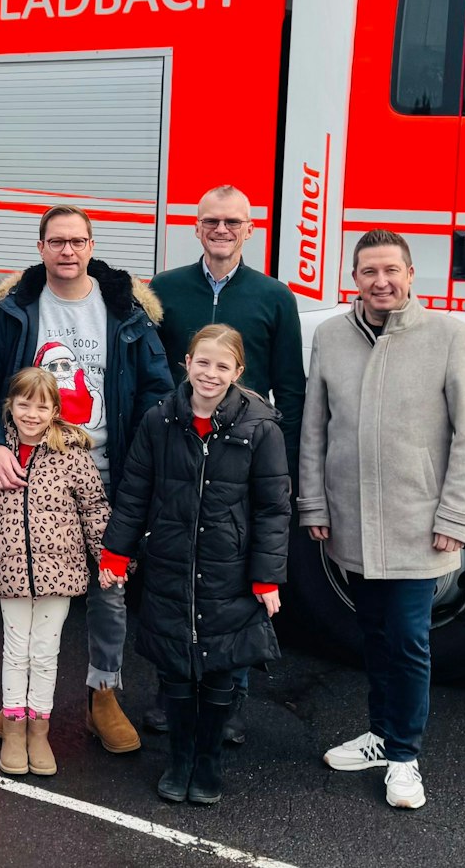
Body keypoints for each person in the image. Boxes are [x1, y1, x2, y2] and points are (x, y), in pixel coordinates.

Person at [297, 230, 465, 811]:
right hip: (351, 520)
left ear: (410, 275)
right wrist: (314, 503)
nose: (381, 282)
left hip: (417, 521)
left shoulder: (451, 337)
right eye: (368, 272)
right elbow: (314, 428)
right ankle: (381, 735)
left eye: (391, 270)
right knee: (374, 634)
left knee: (407, 640)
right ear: (354, 278)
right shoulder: (331, 337)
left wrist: (456, 515)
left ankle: (404, 756)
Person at [0, 205, 171, 754]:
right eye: (57, 241)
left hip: (108, 470)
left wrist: (144, 461)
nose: (68, 251)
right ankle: (18, 701)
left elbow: (157, 386)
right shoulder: (14, 311)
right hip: (30, 471)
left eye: (78, 241)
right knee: (30, 589)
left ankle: (102, 693)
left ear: (91, 246)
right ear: (40, 247)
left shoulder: (123, 310)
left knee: (109, 588)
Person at [100, 325, 290, 806]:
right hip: (170, 562)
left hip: (230, 568)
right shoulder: (159, 420)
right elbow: (135, 490)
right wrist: (116, 553)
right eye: (203, 362)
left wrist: (266, 575)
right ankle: (179, 759)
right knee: (177, 670)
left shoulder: (260, 428)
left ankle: (208, 761)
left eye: (222, 366)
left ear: (238, 372)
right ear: (186, 362)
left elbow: (273, 507)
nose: (211, 373)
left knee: (221, 668)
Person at [148, 184, 304, 741]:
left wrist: (283, 466)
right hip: (177, 454)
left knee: (232, 584)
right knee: (175, 578)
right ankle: (172, 697)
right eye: (211, 221)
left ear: (250, 229)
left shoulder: (274, 297)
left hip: (242, 461)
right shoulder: (163, 291)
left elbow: (291, 386)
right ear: (196, 227)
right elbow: (148, 369)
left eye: (232, 222)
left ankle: (228, 702)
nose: (221, 230)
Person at [0, 367, 108, 778]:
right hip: (10, 571)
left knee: (45, 652)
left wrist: (112, 559)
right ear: (10, 406)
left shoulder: (73, 457)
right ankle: (13, 727)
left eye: (41, 405)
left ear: (55, 410)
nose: (31, 413)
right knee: (16, 649)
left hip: (59, 572)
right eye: (23, 403)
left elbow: (94, 509)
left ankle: (38, 729)